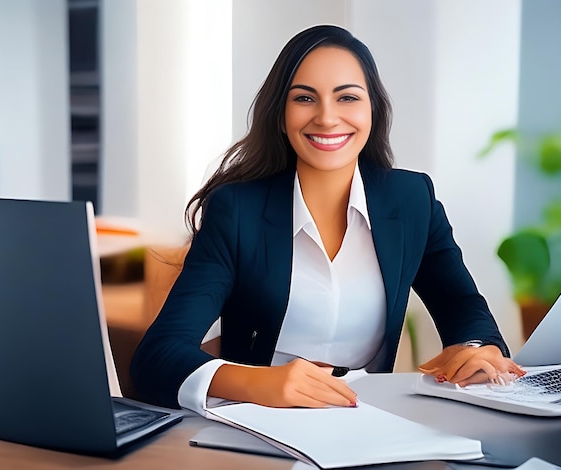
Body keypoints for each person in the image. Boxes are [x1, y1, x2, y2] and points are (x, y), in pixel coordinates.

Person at [130, 24, 525, 412]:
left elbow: (464, 307)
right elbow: (157, 357)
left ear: (373, 108)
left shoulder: (411, 200)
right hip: (256, 425)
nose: (327, 118)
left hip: (368, 424)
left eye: (347, 98)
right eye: (304, 98)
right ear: (281, 114)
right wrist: (258, 381)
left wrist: (474, 351)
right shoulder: (236, 210)